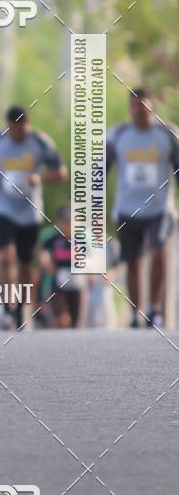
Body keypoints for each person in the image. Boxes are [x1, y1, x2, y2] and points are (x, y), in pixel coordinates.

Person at [0, 105, 67, 329]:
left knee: (25, 263)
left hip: (29, 211)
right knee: (6, 256)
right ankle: (6, 308)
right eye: (13, 130)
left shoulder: (40, 142)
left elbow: (61, 171)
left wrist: (40, 178)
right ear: (7, 125)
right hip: (1, 207)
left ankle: (20, 307)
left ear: (27, 125)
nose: (17, 134)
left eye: (21, 130)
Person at [107, 87, 179, 328]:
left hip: (159, 208)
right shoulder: (118, 135)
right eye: (135, 105)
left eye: (143, 105)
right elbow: (100, 171)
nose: (139, 110)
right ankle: (135, 312)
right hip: (127, 208)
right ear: (130, 108)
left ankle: (154, 310)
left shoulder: (168, 134)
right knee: (132, 261)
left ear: (152, 107)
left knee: (159, 251)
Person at [38, 205, 86, 328]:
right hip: (58, 284)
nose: (68, 225)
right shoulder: (52, 238)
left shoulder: (83, 238)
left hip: (77, 284)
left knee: (75, 323)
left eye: (70, 221)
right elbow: (42, 252)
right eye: (65, 222)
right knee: (62, 320)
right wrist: (46, 260)